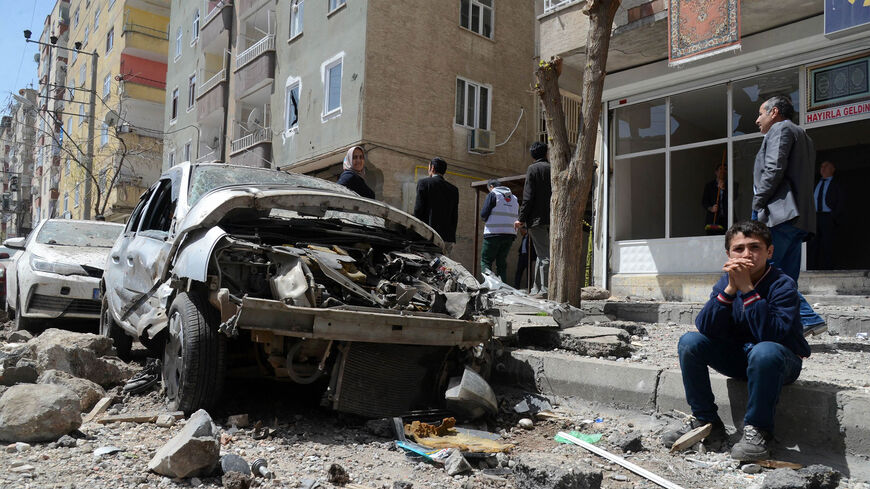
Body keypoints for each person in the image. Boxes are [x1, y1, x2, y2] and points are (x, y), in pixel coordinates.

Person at [662, 220, 810, 462]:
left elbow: (771, 335)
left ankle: (758, 430)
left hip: (779, 362)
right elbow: (706, 327)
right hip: (742, 358)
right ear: (728, 254)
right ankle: (706, 422)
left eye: (755, 247)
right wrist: (731, 289)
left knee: (764, 351)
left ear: (769, 252)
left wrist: (748, 289)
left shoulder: (783, 284)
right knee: (690, 342)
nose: (747, 254)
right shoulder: (726, 282)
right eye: (739, 249)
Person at [751, 95, 826, 337]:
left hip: (779, 216)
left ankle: (808, 317)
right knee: (786, 277)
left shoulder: (781, 128)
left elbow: (773, 168)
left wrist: (758, 202)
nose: (757, 120)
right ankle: (797, 325)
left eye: (760, 114)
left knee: (766, 272)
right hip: (798, 219)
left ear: (774, 112)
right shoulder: (804, 136)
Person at [515, 141, 551, 297]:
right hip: (551, 218)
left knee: (544, 256)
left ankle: (545, 289)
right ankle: (536, 288)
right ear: (546, 153)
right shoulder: (552, 169)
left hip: (536, 220)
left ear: (532, 155)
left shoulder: (533, 169)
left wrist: (521, 219)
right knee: (540, 254)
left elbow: (528, 197)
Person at [413, 157, 459, 254]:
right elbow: (454, 216)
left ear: (432, 168)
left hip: (428, 236)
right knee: (444, 267)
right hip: (447, 238)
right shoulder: (454, 189)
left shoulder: (424, 183)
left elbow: (418, 210)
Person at [807, 161, 844, 270]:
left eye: (826, 166)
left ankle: (828, 268)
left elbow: (840, 202)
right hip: (814, 216)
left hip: (828, 216)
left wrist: (833, 216)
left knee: (827, 243)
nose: (822, 168)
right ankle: (812, 267)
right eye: (821, 166)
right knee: (813, 243)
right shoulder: (815, 183)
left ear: (833, 169)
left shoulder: (836, 184)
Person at [480, 179, 518, 283]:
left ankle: (488, 286)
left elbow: (483, 214)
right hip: (510, 235)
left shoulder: (493, 194)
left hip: (493, 233)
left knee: (486, 261)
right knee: (501, 262)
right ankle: (502, 288)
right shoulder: (514, 198)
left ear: (491, 186)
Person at [702, 163, 729, 235]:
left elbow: (734, 198)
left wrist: (723, 189)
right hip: (713, 220)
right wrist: (711, 208)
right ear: (716, 172)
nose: (723, 171)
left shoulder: (730, 185)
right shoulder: (709, 186)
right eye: (721, 169)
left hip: (727, 219)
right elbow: (704, 202)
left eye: (725, 169)